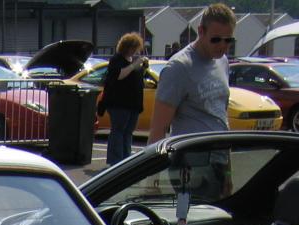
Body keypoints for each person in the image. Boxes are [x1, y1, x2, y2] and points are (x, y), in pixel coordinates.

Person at [148, 3, 235, 143]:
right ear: (201, 31)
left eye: (228, 40)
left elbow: (220, 115)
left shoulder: (222, 61)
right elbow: (158, 129)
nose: (222, 45)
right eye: (216, 39)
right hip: (191, 155)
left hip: (220, 151)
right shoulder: (179, 67)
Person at [99, 33, 148, 166]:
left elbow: (136, 77)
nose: (135, 51)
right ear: (127, 47)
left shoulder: (133, 60)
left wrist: (142, 68)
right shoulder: (117, 60)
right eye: (134, 47)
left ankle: (126, 161)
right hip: (119, 103)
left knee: (128, 132)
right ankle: (116, 161)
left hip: (133, 104)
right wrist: (134, 65)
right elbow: (119, 75)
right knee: (118, 131)